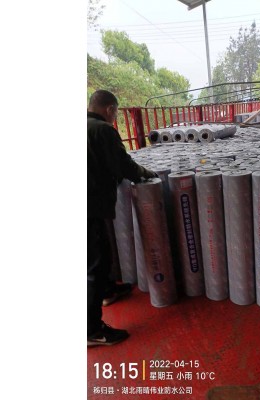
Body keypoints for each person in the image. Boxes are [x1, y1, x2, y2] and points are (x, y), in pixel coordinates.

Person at [87, 89, 157, 346]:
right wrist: (146, 173)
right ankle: (91, 331)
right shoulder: (103, 130)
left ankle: (107, 291)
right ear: (109, 109)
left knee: (99, 253)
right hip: (90, 206)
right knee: (96, 263)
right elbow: (123, 165)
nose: (115, 117)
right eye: (116, 112)